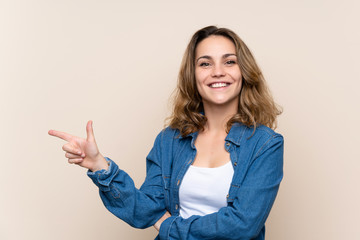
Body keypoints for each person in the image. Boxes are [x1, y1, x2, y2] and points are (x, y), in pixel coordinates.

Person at [49, 26, 284, 240]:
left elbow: (243, 226)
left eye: (229, 62)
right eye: (205, 63)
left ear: (244, 72)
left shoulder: (265, 144)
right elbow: (145, 210)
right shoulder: (170, 140)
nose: (218, 72)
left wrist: (169, 227)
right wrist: (99, 165)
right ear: (192, 75)